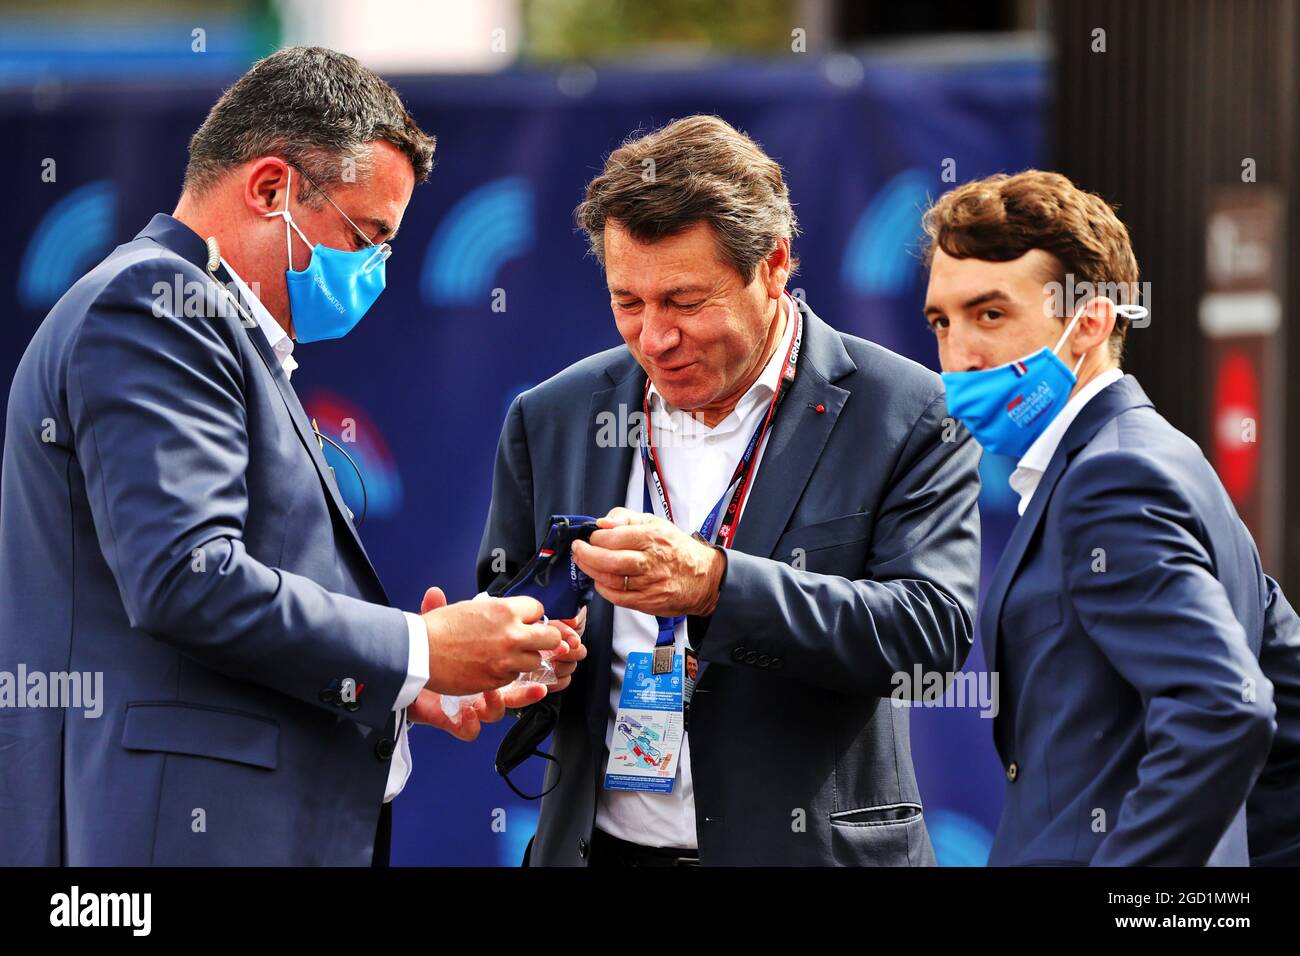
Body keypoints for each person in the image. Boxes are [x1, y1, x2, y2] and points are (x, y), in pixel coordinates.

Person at [0, 46, 578, 866]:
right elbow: (187, 580)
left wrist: (410, 684)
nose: (375, 271)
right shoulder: (156, 307)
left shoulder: (205, 324)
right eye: (365, 236)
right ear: (271, 188)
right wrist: (421, 649)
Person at [477, 115, 982, 866]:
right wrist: (520, 653)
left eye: (685, 302)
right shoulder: (551, 413)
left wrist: (716, 586)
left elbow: (929, 637)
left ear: (775, 264)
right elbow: (509, 590)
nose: (654, 338)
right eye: (628, 302)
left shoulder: (907, 410)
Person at [922, 169, 1300, 865]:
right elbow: (1288, 714)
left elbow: (1227, 710)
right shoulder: (1162, 457)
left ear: (1090, 319)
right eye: (942, 321)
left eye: (991, 314)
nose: (959, 356)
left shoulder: (1110, 478)